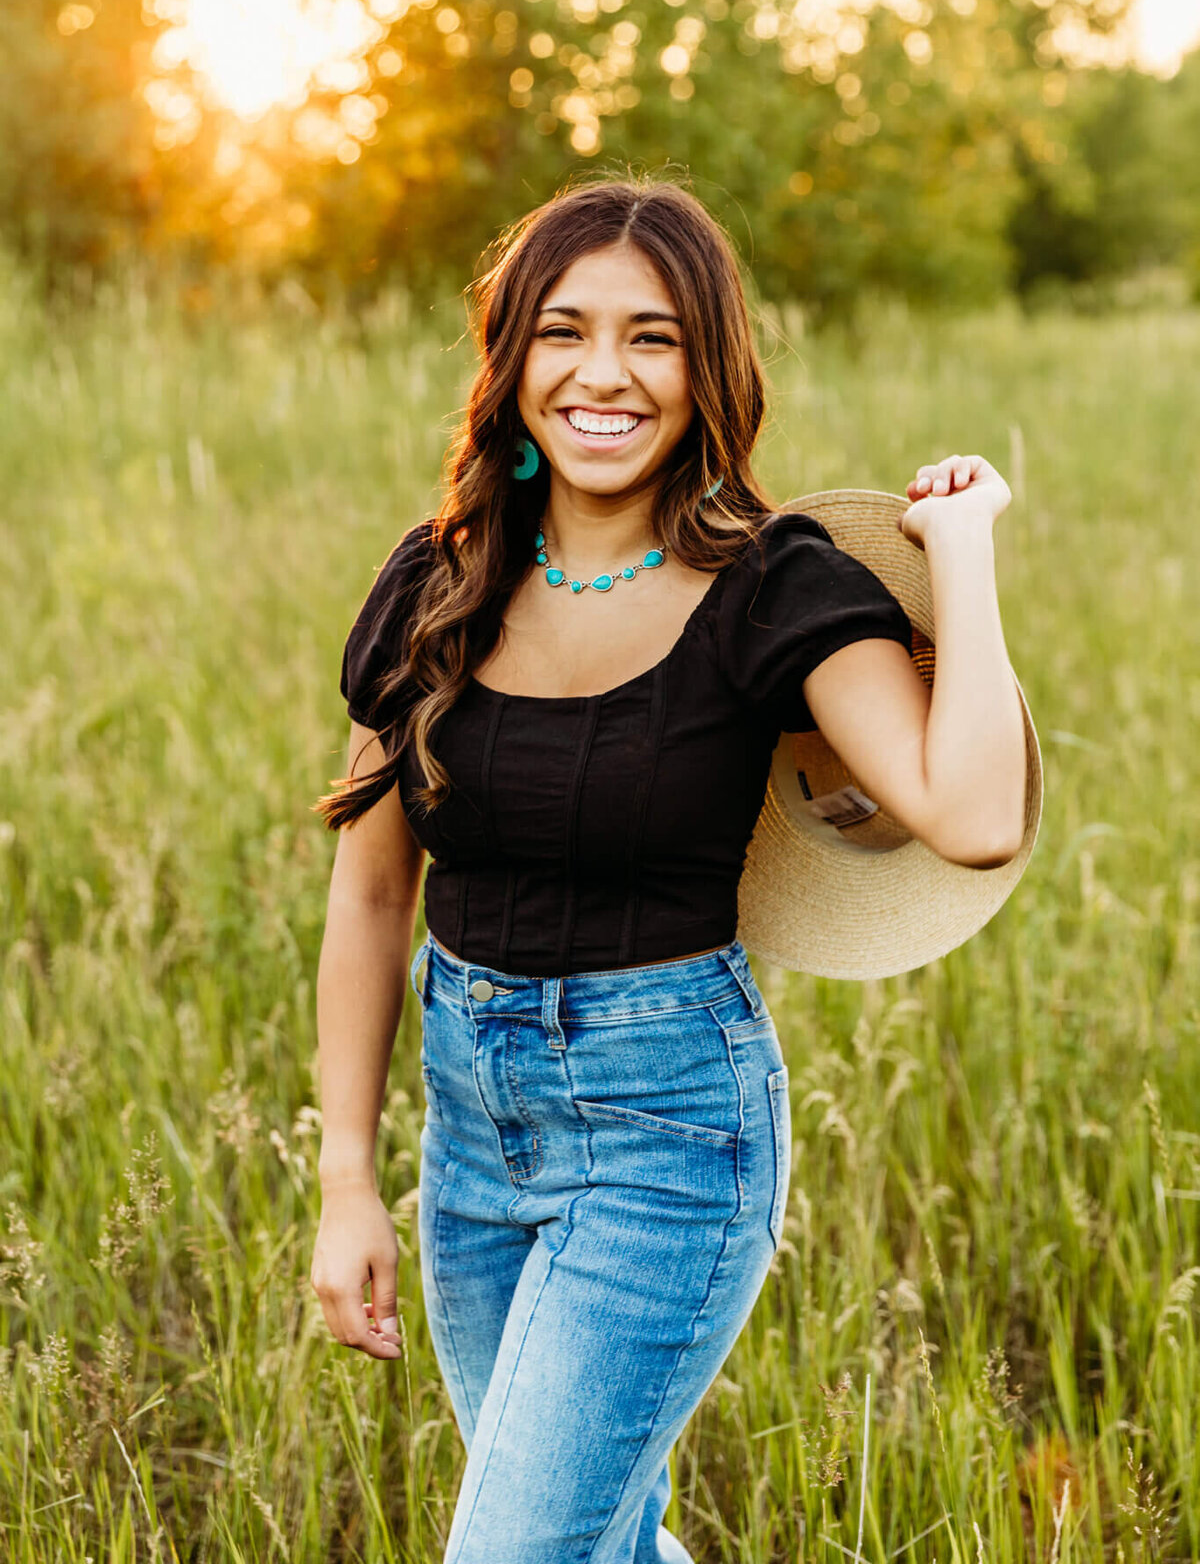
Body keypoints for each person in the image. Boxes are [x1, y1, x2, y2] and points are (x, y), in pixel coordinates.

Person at [308, 173, 1027, 1563]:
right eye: (565, 330)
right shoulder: (435, 582)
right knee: (603, 1540)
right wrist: (349, 1182)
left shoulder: (779, 587)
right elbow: (375, 890)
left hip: (672, 1140)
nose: (604, 374)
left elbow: (975, 811)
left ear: (710, 370)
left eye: (654, 338)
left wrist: (964, 554)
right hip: (472, 1139)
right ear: (511, 357)